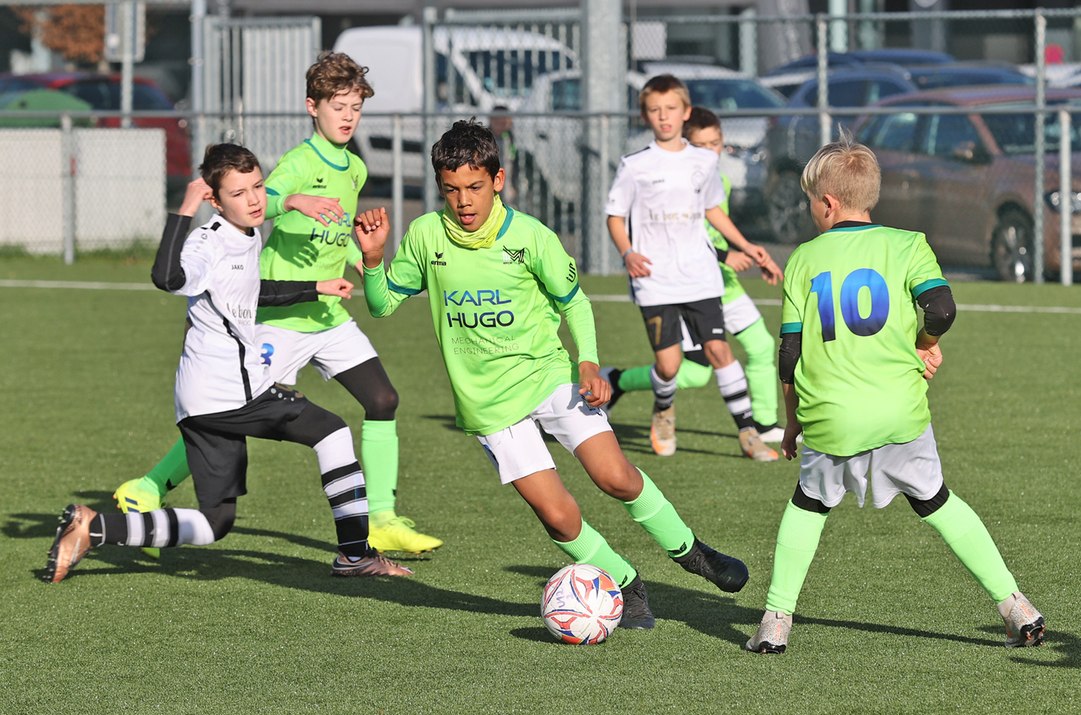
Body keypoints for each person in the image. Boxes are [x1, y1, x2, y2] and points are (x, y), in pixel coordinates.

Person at [354, 119, 750, 629]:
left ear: (497, 180)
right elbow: (383, 305)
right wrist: (372, 261)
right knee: (559, 517)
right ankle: (626, 582)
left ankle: (692, 553)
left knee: (614, 477)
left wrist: (588, 361)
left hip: (549, 377)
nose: (464, 201)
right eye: (451, 190)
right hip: (487, 404)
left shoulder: (530, 236)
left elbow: (575, 302)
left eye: (475, 187)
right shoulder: (427, 235)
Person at [112, 51, 442, 558]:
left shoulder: (355, 168)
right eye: (338, 107)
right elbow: (256, 205)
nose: (348, 117)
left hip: (327, 312)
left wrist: (360, 258)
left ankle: (380, 518)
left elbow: (335, 232)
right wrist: (291, 200)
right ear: (313, 107)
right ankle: (150, 485)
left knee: (382, 399)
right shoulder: (299, 163)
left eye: (355, 107)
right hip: (277, 316)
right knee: (229, 413)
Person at [45, 144, 412, 583]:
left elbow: (249, 293)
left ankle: (93, 528)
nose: (254, 199)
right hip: (234, 394)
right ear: (215, 201)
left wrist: (315, 286)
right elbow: (168, 278)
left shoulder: (247, 234)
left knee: (215, 522)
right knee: (331, 433)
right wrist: (185, 208)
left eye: (257, 186)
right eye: (238, 193)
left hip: (201, 400)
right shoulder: (209, 240)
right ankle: (355, 555)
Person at [744, 136, 1045, 653]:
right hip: (898, 411)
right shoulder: (909, 244)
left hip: (831, 417)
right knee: (937, 501)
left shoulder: (803, 259)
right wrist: (926, 342)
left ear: (828, 203)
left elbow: (789, 354)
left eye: (811, 201)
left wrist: (791, 421)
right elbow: (942, 309)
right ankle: (1017, 607)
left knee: (808, 504)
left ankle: (775, 623)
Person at [605, 75, 781, 462]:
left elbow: (712, 211)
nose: (663, 116)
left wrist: (746, 246)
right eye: (655, 110)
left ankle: (749, 434)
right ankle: (663, 409)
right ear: (645, 115)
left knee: (720, 351)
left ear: (685, 112)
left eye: (671, 109)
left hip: (701, 277)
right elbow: (615, 216)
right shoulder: (635, 165)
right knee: (670, 366)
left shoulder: (704, 162)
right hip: (655, 281)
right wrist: (628, 253)